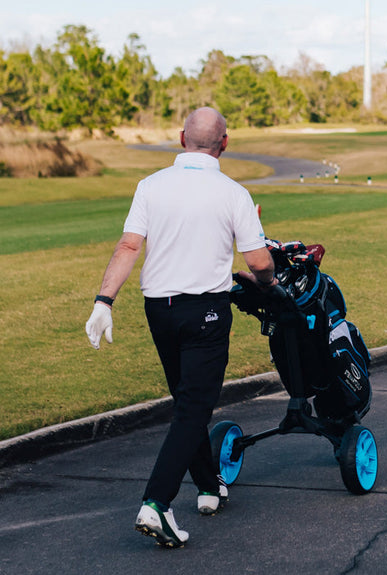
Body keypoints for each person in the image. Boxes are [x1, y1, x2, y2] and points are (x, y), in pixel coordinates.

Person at [84, 107, 275, 548]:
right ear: (224, 143)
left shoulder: (150, 186)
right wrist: (268, 285)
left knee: (188, 401)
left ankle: (209, 487)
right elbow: (259, 261)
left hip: (160, 311)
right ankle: (156, 503)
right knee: (193, 408)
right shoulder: (232, 192)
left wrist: (104, 300)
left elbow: (130, 244)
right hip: (205, 311)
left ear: (180, 138)